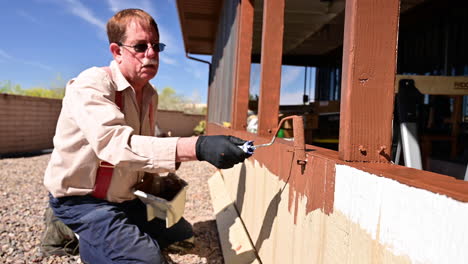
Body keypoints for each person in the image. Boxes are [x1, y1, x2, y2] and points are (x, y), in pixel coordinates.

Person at [43, 8, 250, 263]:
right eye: (140, 46)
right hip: (83, 201)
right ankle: (71, 229)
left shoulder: (150, 95)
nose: (151, 54)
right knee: (149, 259)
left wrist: (159, 187)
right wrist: (198, 146)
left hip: (123, 199)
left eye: (156, 46)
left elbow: (145, 147)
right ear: (117, 51)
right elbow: (117, 145)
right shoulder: (91, 85)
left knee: (181, 235)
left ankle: (102, 237)